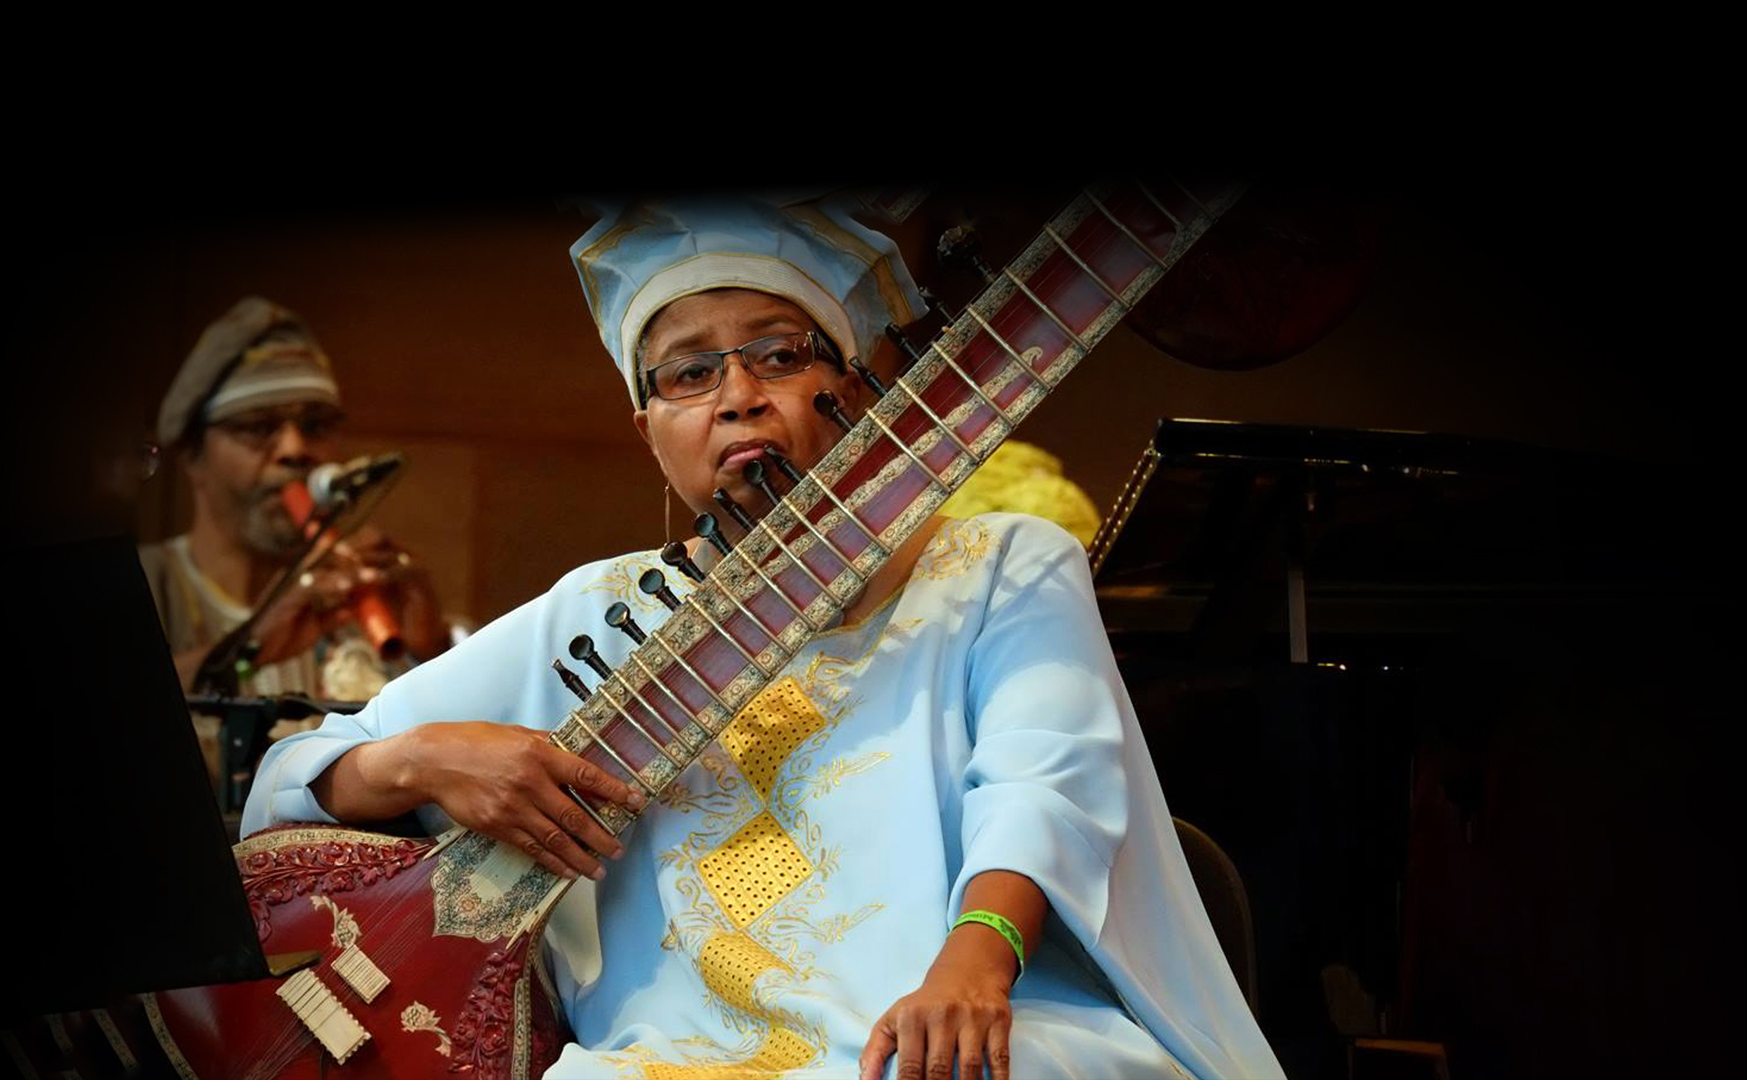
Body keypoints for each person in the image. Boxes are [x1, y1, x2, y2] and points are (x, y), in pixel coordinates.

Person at [243, 196, 1282, 1079]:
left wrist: (975, 962)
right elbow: (289, 780)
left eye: (779, 356)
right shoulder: (593, 611)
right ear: (647, 429)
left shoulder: (1000, 561)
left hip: (961, 1019)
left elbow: (1045, 785)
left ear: (855, 389)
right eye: (688, 374)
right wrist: (428, 756)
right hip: (665, 1054)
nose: (737, 395)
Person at [145, 297, 450, 780]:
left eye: (316, 427)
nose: (294, 450)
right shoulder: (140, 582)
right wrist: (248, 651)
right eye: (257, 428)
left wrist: (432, 655)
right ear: (192, 456)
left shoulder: (364, 593)